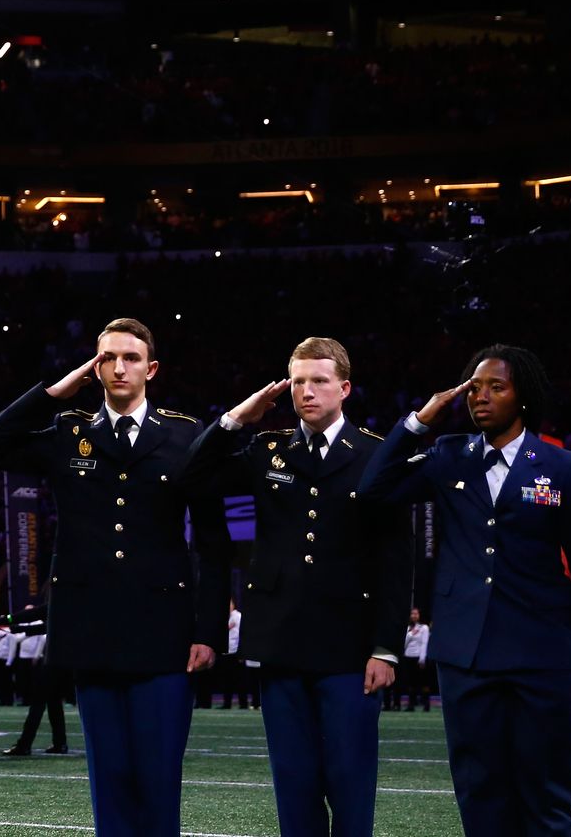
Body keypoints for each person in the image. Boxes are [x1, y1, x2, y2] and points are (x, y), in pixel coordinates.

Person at [0, 317, 231, 836]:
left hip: (165, 632)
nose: (117, 367)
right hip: (90, 630)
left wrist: (208, 632)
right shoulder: (69, 430)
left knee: (158, 780)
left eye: (130, 357)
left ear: (150, 369)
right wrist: (52, 393)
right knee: (108, 779)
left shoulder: (184, 435)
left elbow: (214, 542)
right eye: (106, 357)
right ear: (94, 367)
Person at [360, 344, 571, 837]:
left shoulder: (563, 467)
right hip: (465, 654)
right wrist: (419, 420)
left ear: (523, 397)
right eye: (475, 388)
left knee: (547, 796)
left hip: (544, 655)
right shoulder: (446, 454)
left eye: (496, 387)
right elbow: (373, 491)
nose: (481, 397)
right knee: (480, 795)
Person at [185, 336, 412, 837]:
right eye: (298, 382)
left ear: (344, 388)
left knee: (350, 783)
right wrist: (236, 419)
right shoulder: (266, 449)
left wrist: (387, 648)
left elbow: (397, 561)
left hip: (351, 647)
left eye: (319, 381)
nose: (306, 392)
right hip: (280, 642)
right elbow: (194, 476)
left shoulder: (376, 455)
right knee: (294, 784)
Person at [2, 614, 69, 755]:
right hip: (62, 662)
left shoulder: (61, 607)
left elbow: (42, 623)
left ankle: (24, 745)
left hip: (53, 662)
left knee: (38, 704)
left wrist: (12, 624)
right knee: (54, 703)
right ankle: (60, 743)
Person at [394, 609, 432, 712]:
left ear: (419, 615)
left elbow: (424, 643)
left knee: (424, 681)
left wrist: (422, 658)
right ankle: (411, 705)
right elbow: (404, 644)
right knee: (411, 682)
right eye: (412, 614)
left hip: (419, 657)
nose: (414, 616)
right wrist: (410, 634)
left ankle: (426, 704)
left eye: (416, 614)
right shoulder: (408, 629)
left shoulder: (424, 628)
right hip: (408, 657)